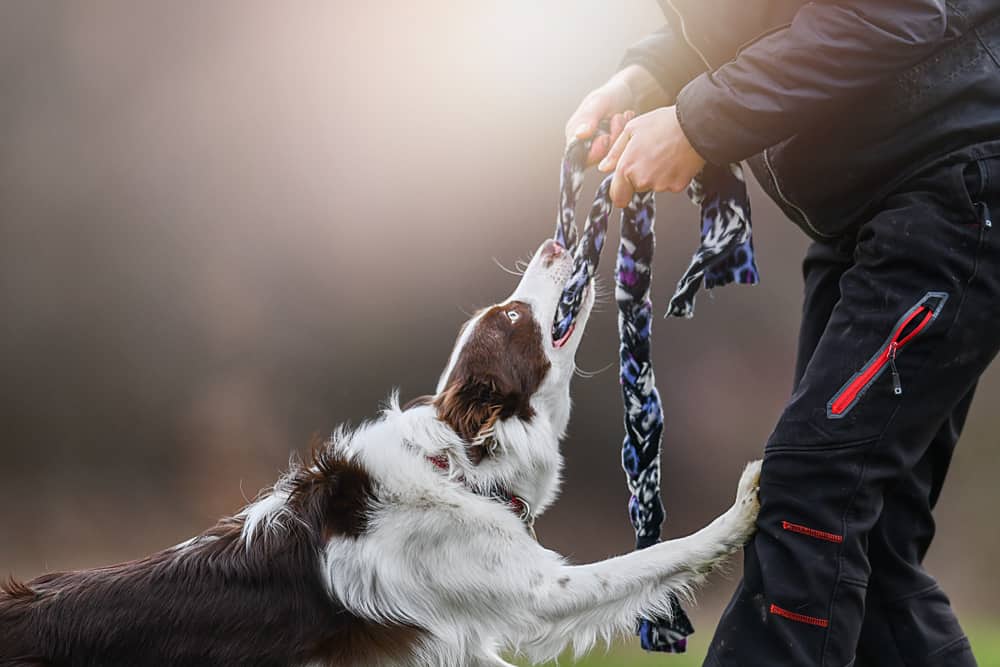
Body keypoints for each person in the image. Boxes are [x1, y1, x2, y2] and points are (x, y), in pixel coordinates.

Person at [566, 2, 1000, 666]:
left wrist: (696, 123)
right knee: (868, 547)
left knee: (809, 495)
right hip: (876, 205)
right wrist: (652, 74)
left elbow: (897, 11)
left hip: (954, 186)